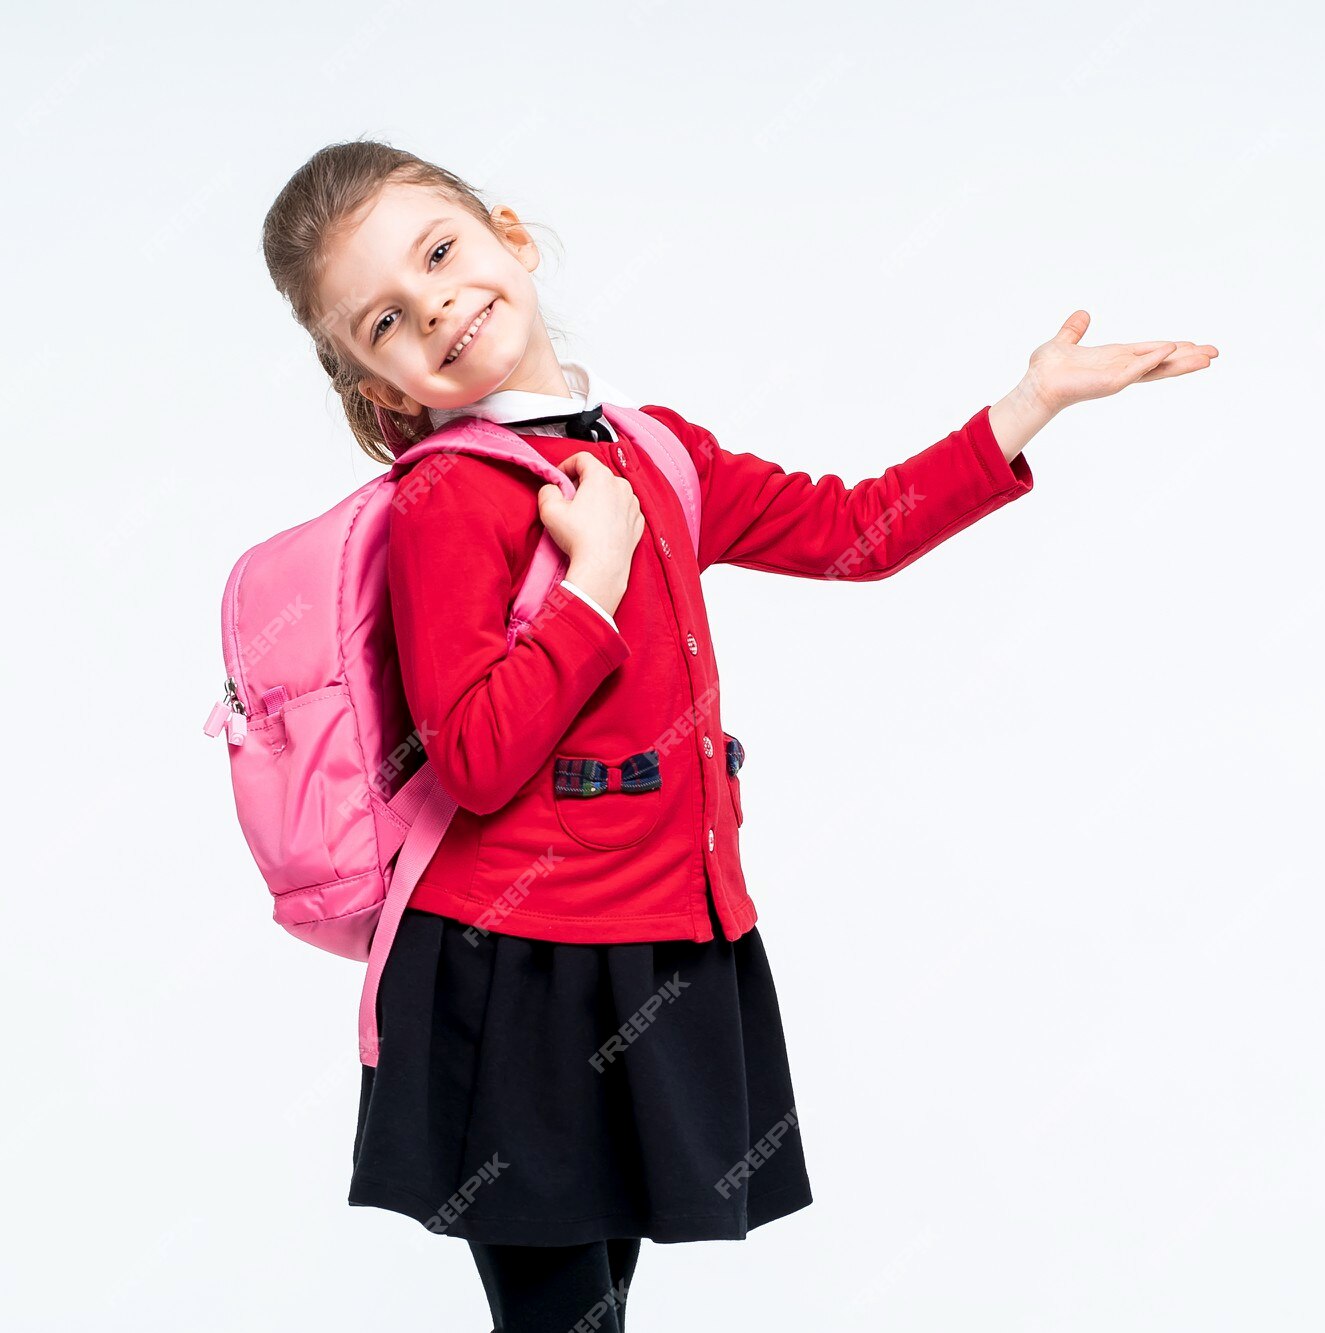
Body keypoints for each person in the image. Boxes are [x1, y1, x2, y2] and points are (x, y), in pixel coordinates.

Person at [259, 137, 1217, 1333]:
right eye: (388, 321)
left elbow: (850, 531)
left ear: (509, 232)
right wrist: (591, 583)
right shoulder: (448, 495)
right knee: (562, 1318)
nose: (438, 306)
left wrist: (1029, 405)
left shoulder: (656, 448)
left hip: (658, 934)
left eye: (442, 252)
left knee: (598, 1308)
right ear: (380, 388)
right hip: (517, 970)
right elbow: (474, 755)